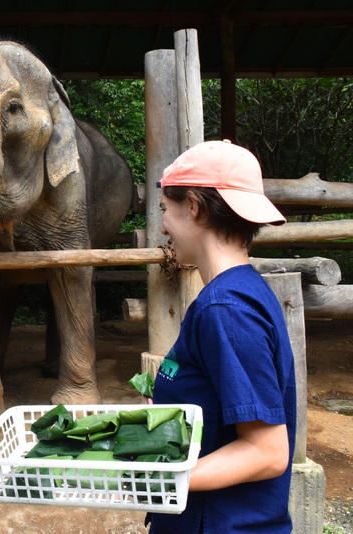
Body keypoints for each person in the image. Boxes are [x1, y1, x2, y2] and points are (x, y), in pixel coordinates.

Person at [148, 140, 297, 533]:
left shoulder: (225, 310)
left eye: (166, 209)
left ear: (193, 207)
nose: (162, 226)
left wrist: (149, 484)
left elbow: (267, 452)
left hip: (218, 523)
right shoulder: (240, 291)